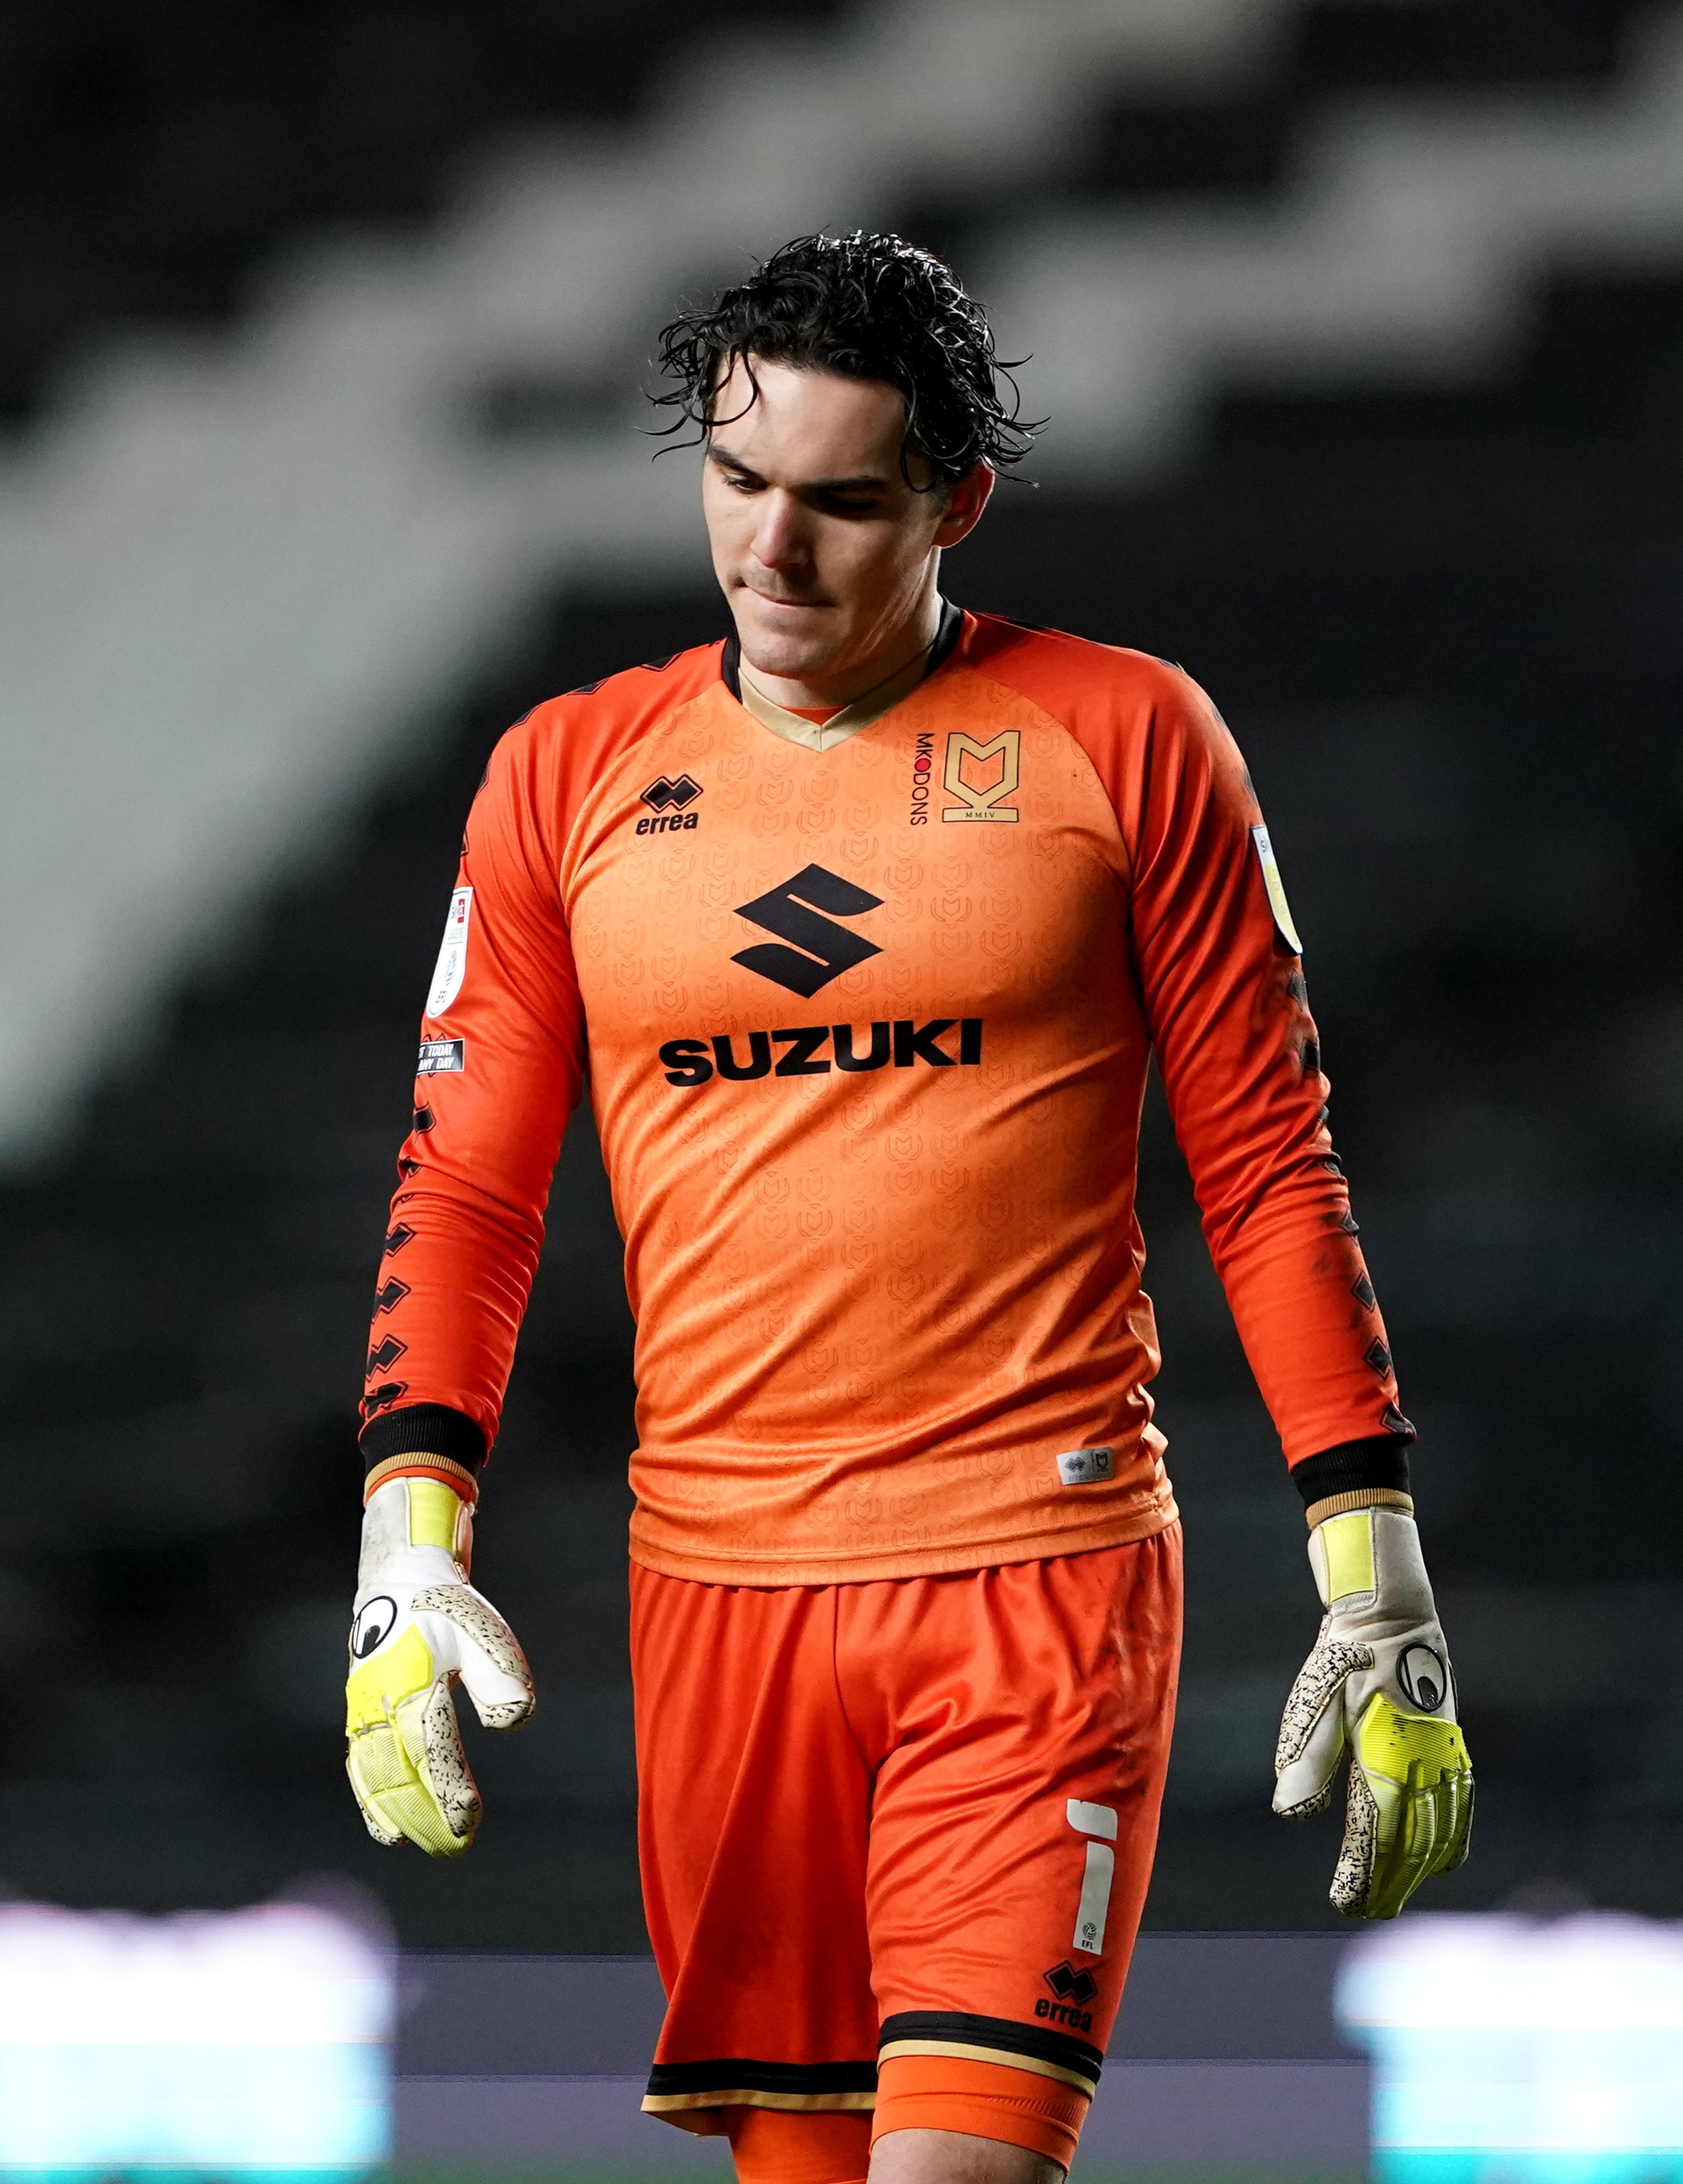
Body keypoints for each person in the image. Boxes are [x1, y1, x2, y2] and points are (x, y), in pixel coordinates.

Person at [336, 234, 1475, 2184]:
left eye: (843, 503)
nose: (773, 554)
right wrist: (402, 1545)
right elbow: (467, 1183)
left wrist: (1374, 1579)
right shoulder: (567, 778)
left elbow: (1269, 1161)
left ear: (958, 500)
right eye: (737, 484)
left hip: (1030, 1585)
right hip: (719, 1599)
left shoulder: (1126, 741)